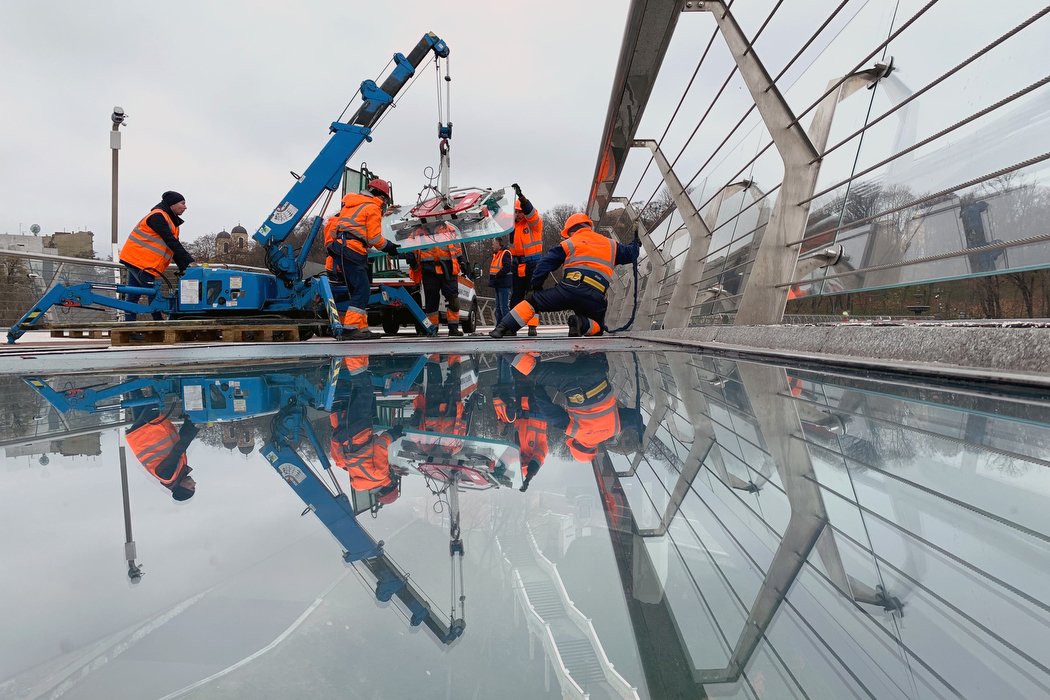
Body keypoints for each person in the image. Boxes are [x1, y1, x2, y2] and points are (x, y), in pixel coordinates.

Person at [490, 212, 640, 338]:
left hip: (568, 289)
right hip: (596, 296)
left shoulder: (569, 243)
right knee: (599, 326)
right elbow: (631, 254)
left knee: (532, 302)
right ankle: (581, 323)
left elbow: (544, 264)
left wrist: (536, 286)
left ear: (571, 231)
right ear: (588, 226)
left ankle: (503, 328)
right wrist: (636, 242)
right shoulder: (611, 244)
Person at [511, 353, 644, 478]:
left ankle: (588, 350)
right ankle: (508, 350)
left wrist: (641, 431)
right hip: (571, 380)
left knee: (594, 359)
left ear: (593, 448)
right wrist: (537, 388)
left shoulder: (614, 428)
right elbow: (548, 409)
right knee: (531, 372)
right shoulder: (574, 431)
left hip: (597, 369)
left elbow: (635, 418)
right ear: (575, 443)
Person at [324, 179, 401, 340]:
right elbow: (374, 238)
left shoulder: (351, 204)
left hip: (342, 248)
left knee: (356, 291)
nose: (384, 202)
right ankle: (350, 329)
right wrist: (390, 247)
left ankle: (362, 328)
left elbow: (355, 226)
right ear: (380, 195)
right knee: (362, 290)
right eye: (385, 199)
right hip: (353, 250)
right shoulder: (372, 207)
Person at [329, 355, 404, 506]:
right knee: (356, 391)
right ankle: (350, 357)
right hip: (347, 435)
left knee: (364, 389)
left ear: (389, 486)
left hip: (359, 431)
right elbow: (340, 461)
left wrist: (393, 434)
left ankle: (353, 352)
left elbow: (381, 445)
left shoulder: (380, 475)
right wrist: (337, 437)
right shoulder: (357, 478)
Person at [118, 191, 195, 321]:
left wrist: (186, 267)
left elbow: (173, 248)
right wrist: (190, 263)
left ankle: (130, 327)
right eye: (182, 203)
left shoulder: (170, 220)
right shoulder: (158, 217)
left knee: (133, 295)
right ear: (172, 204)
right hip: (139, 261)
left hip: (140, 262)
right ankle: (159, 323)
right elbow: (171, 242)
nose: (185, 207)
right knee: (153, 292)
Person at [125, 398, 199, 501]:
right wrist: (190, 422)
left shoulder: (168, 476)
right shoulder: (178, 472)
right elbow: (180, 441)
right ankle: (131, 383)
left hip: (146, 432)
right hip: (147, 431)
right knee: (137, 395)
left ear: (182, 487)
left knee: (157, 398)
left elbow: (178, 450)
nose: (194, 483)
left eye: (192, 487)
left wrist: (195, 425)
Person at [405, 222, 468, 337]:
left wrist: (462, 262)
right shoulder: (418, 231)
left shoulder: (450, 229)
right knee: (431, 301)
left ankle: (453, 328)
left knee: (453, 299)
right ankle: (432, 328)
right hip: (429, 270)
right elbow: (409, 245)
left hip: (448, 269)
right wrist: (410, 256)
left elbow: (457, 248)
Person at [508, 183, 543, 336]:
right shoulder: (511, 226)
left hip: (533, 263)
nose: (518, 214)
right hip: (517, 264)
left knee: (532, 294)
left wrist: (522, 198)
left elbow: (531, 212)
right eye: (515, 212)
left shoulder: (534, 223)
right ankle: (511, 326)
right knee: (516, 296)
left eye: (520, 211)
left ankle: (532, 326)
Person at [488, 236, 513, 327]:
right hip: (498, 283)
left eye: (493, 244)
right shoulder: (497, 254)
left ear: (498, 244)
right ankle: (499, 326)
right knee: (499, 307)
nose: (492, 246)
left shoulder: (505, 253)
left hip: (503, 283)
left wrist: (497, 275)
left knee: (504, 307)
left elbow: (507, 267)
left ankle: (507, 326)